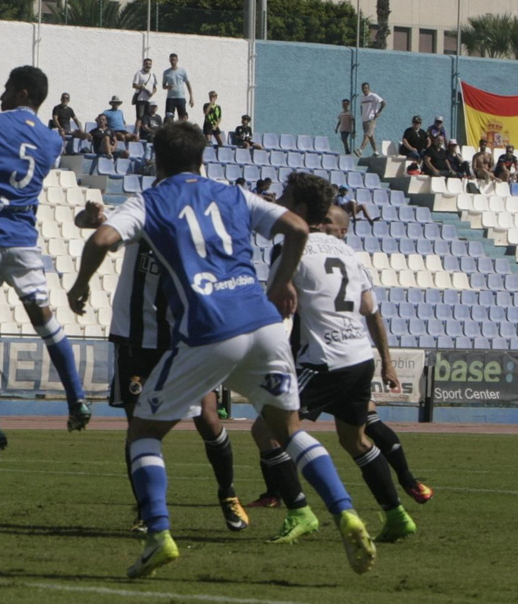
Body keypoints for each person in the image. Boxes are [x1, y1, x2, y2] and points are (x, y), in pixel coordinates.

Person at [68, 122, 375, 578]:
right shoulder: (233, 194)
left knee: (144, 432)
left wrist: (80, 286)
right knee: (289, 429)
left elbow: (100, 240)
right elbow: (296, 227)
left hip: (209, 327)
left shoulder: (151, 200)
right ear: (202, 158)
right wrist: (279, 284)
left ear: (158, 160)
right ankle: (345, 512)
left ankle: (158, 534)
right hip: (264, 324)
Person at [249, 185, 425, 545]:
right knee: (355, 440)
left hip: (323, 359)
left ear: (300, 209)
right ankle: (396, 515)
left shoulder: (291, 246)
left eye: (285, 201)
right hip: (358, 356)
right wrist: (385, 361)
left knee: (267, 430)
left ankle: (300, 512)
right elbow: (369, 308)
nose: (279, 207)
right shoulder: (347, 251)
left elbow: (274, 303)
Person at [75, 200, 248, 534]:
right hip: (136, 338)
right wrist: (92, 217)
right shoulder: (142, 212)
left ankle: (227, 493)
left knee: (209, 419)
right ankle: (147, 509)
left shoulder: (203, 227)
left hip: (186, 339)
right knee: (138, 428)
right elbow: (89, 223)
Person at [0, 65, 90, 465]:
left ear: (23, 92)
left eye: (9, 88)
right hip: (23, 242)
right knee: (46, 322)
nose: (3, 94)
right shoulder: (52, 141)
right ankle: (77, 400)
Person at [161, 53, 193, 121]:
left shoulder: (182, 71)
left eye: (174, 60)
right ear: (169, 61)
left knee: (182, 117)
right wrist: (168, 87)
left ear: (177, 60)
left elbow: (188, 84)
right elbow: (163, 86)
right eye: (171, 60)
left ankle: (182, 128)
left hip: (180, 97)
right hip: (170, 98)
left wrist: (191, 97)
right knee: (169, 118)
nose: (173, 62)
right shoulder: (166, 72)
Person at [357, 81, 385, 156]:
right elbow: (361, 107)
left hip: (371, 119)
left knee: (367, 135)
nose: (364, 90)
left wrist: (378, 112)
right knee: (370, 136)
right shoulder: (362, 97)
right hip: (364, 120)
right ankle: (376, 151)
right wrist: (362, 115)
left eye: (366, 88)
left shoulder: (373, 96)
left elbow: (383, 103)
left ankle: (360, 150)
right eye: (363, 88)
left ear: (369, 88)